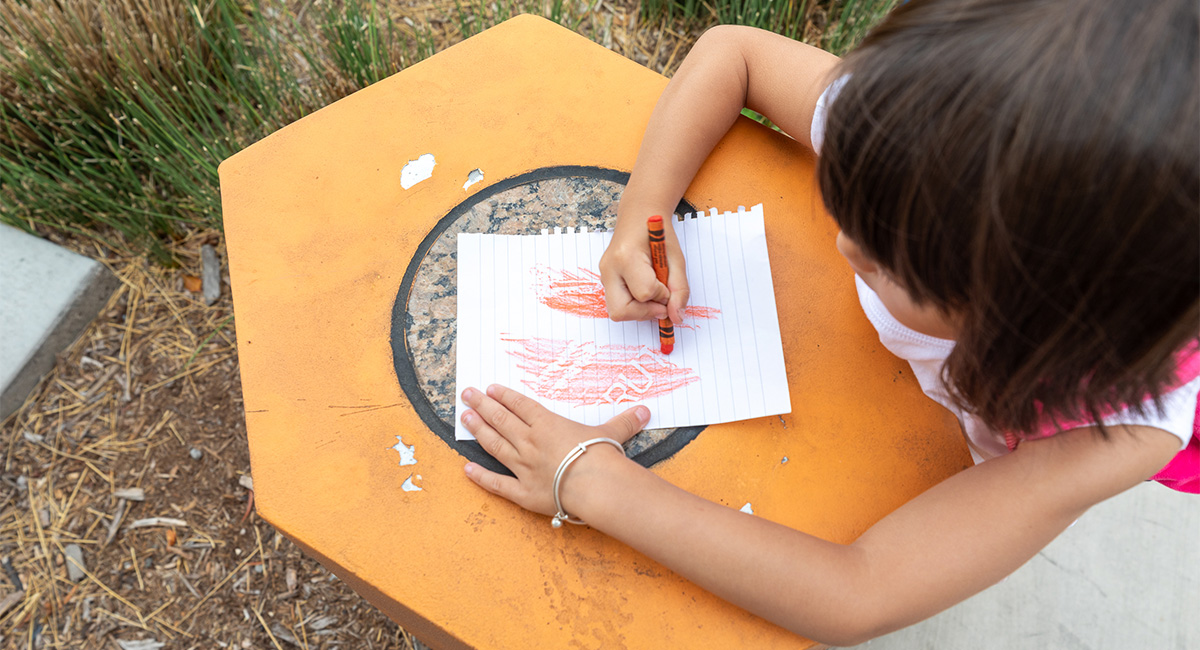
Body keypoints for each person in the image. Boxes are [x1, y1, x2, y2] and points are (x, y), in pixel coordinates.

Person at [456, 0, 1199, 644]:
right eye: (845, 194)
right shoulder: (922, 136)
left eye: (884, 261)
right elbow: (735, 53)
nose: (846, 244)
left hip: (934, 463)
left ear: (1028, 320)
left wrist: (594, 484)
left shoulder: (1115, 430)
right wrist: (643, 213)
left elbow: (859, 591)